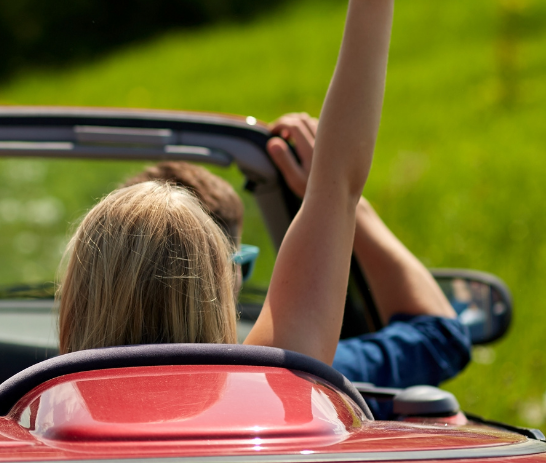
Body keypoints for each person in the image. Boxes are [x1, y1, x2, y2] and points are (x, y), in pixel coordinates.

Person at [59, 0, 438, 368]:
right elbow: (338, 183)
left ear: (74, 304)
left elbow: (339, 184)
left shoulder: (24, 421)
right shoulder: (271, 385)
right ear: (220, 287)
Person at [122, 153, 471, 392]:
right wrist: (350, 203)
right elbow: (440, 337)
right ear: (227, 275)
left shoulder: (67, 396)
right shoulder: (290, 374)